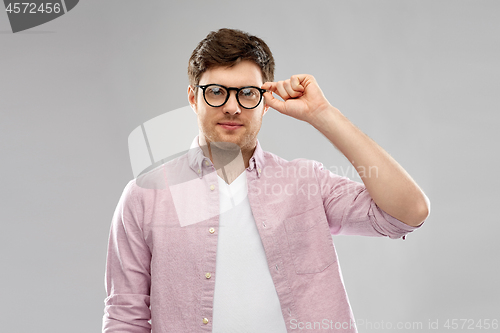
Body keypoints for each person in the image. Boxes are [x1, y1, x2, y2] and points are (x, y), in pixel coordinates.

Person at [102, 28, 430, 333]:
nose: (232, 107)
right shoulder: (145, 196)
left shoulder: (306, 182)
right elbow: (124, 318)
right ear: (193, 98)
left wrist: (322, 114)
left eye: (247, 93)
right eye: (216, 92)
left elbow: (408, 212)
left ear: (266, 102)